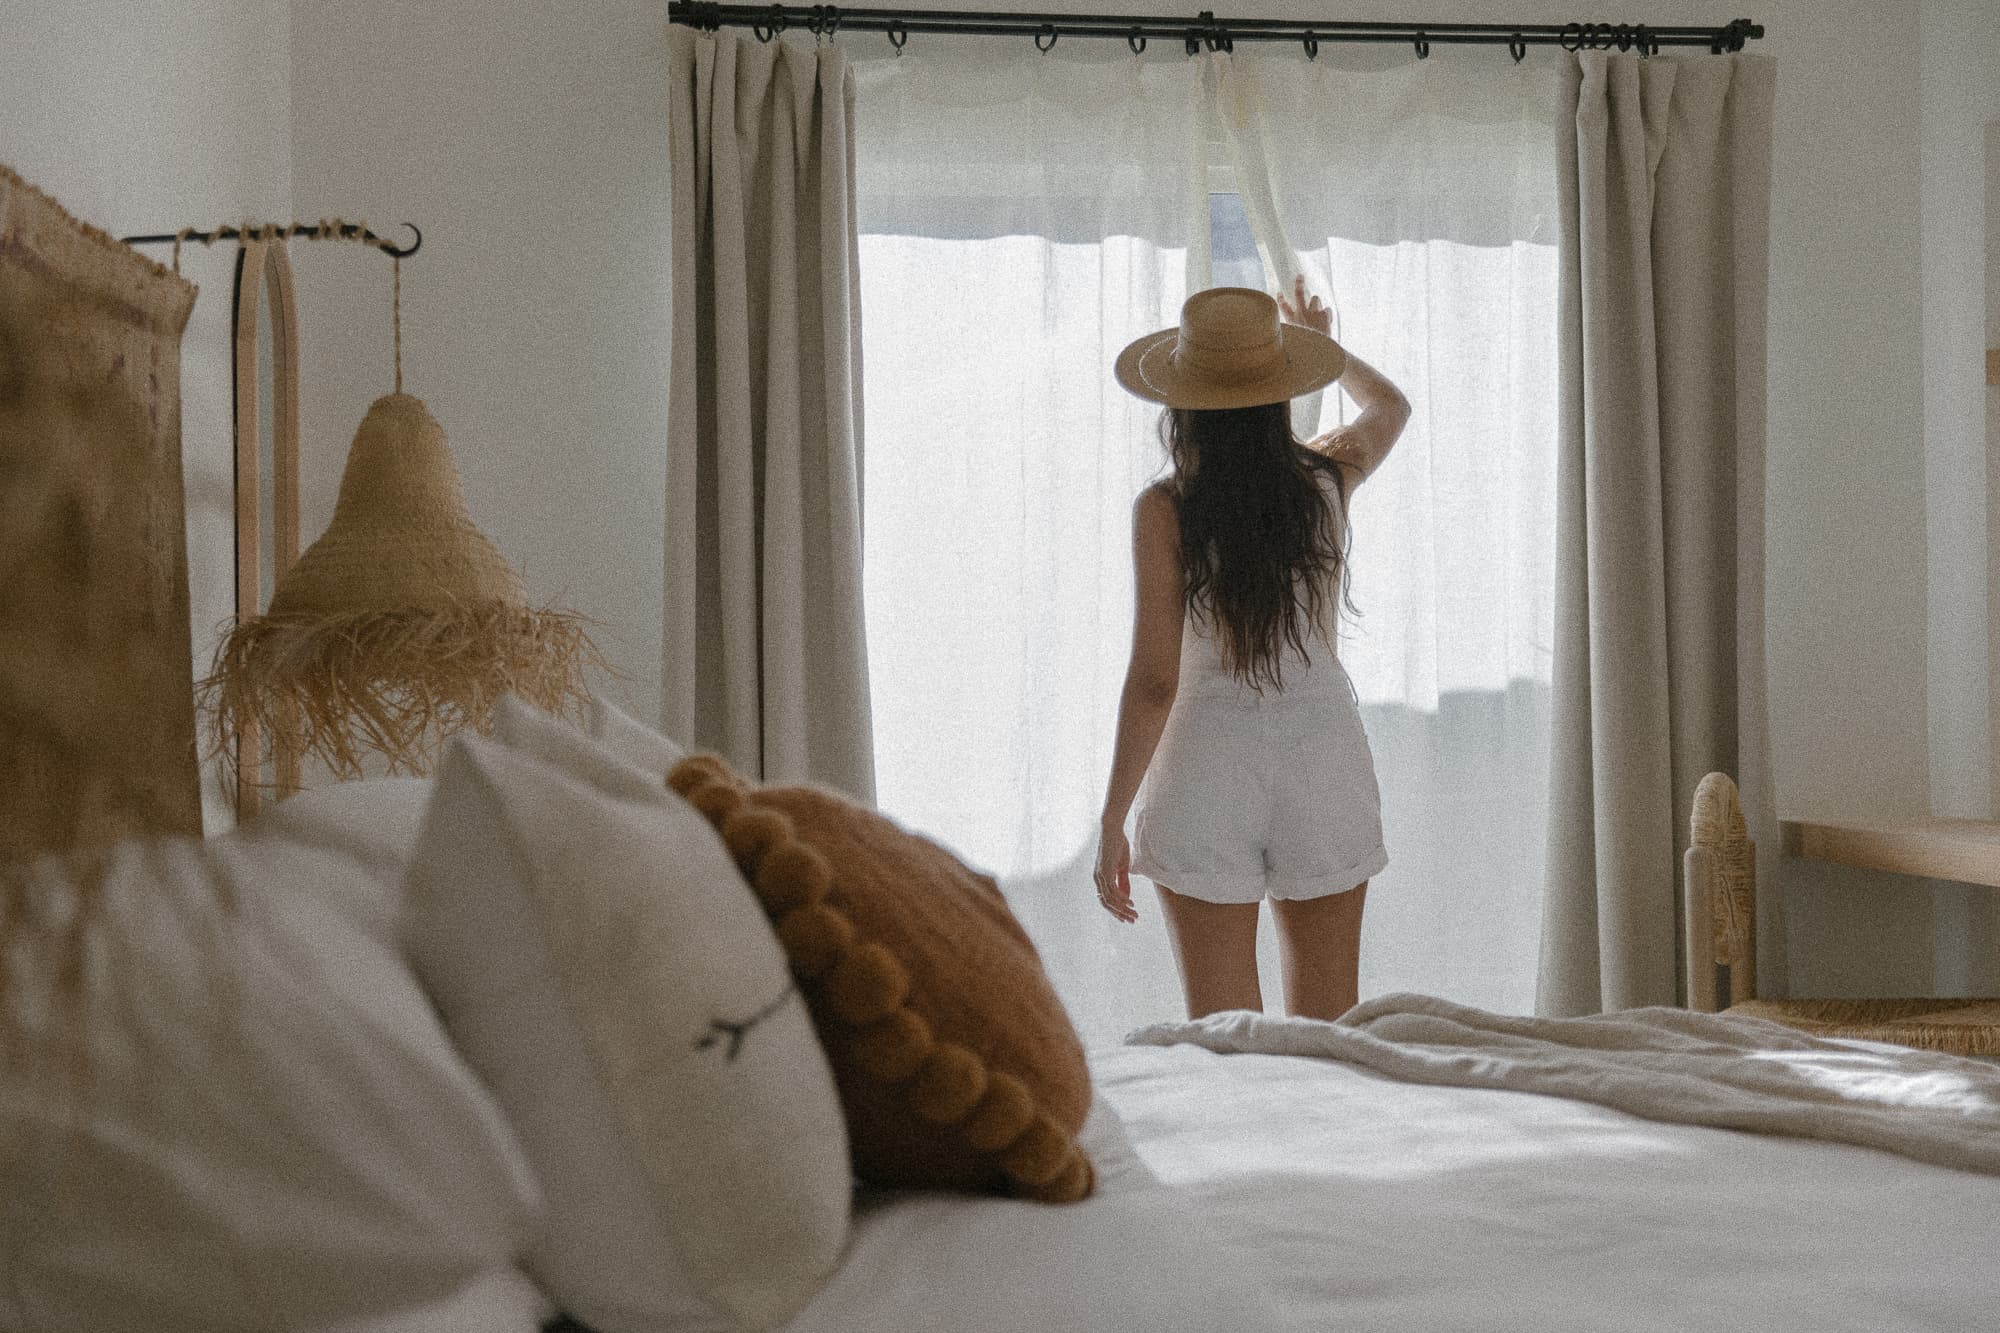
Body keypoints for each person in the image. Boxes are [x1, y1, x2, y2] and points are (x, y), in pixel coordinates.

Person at [1094, 278, 1409, 1022]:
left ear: (1183, 402)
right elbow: (1390, 407)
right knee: (1329, 1035)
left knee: (1227, 1046)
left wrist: (1112, 815)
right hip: (1321, 756)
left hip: (1207, 764)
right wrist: (1327, 348)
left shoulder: (1166, 509)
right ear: (1279, 390)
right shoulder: (1326, 478)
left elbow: (1153, 681)